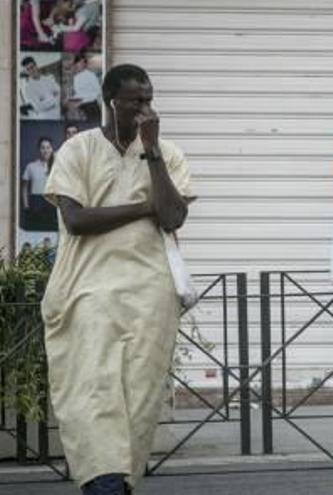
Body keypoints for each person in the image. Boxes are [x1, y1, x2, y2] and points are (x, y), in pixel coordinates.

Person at [41, 64, 194, 495]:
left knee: (138, 398)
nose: (146, 108)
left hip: (149, 296)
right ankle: (102, 483)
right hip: (85, 291)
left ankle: (120, 482)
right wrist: (143, 208)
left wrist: (153, 152)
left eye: (149, 99)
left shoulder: (168, 153)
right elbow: (76, 219)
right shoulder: (79, 150)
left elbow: (174, 214)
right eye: (136, 100)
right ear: (112, 102)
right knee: (92, 392)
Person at [21, 137, 58, 232]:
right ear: (39, 150)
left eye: (48, 147)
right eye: (43, 147)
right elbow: (24, 188)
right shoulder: (31, 166)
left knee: (53, 231)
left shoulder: (58, 166)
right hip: (36, 202)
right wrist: (26, 206)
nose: (45, 150)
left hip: (52, 202)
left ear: (52, 149)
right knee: (35, 230)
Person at [66, 54, 102, 121]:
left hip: (91, 106)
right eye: (78, 63)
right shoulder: (76, 77)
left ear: (85, 64)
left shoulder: (91, 75)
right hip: (81, 108)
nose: (80, 65)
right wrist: (71, 99)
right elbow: (79, 93)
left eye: (82, 63)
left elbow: (97, 92)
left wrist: (82, 101)